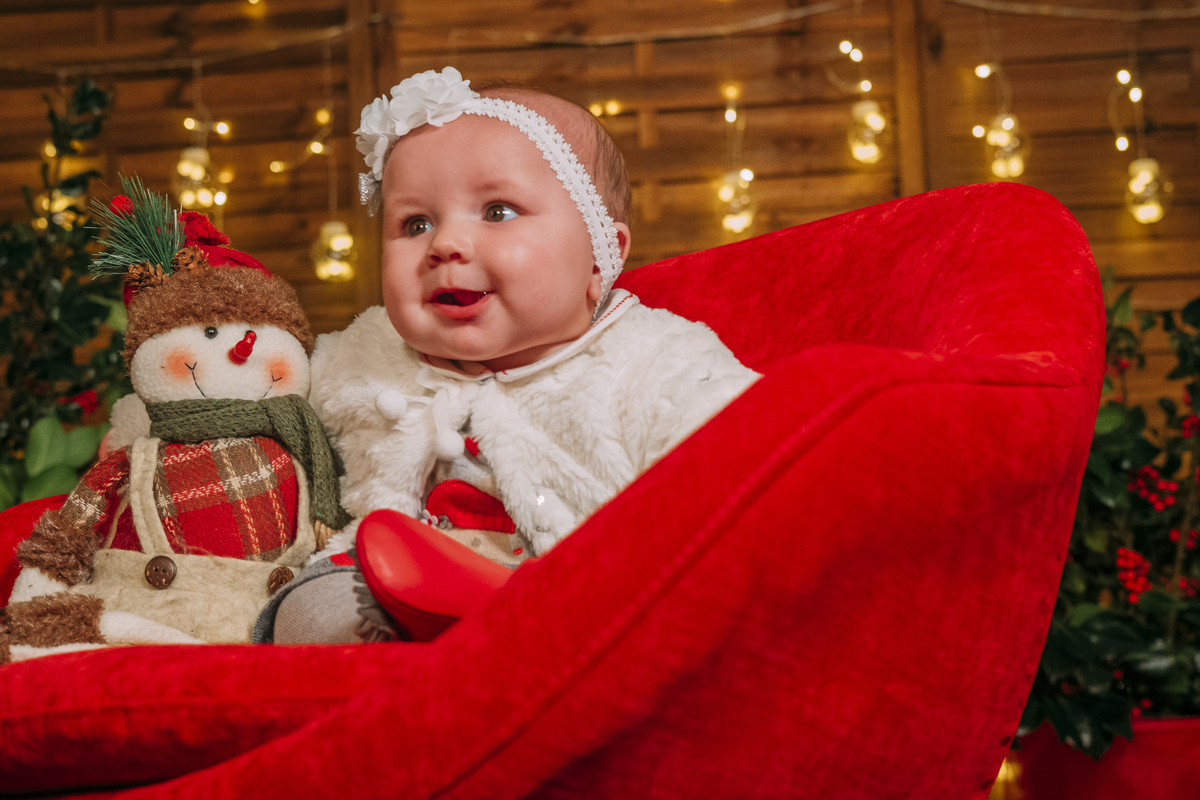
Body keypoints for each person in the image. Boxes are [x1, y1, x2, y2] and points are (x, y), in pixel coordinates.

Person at [257, 67, 759, 644]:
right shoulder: (366, 352)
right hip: (385, 578)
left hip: (566, 586)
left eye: (497, 211)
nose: (445, 244)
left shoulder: (650, 357)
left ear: (600, 258)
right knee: (306, 604)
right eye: (415, 222)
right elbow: (267, 398)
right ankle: (406, 644)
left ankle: (500, 631)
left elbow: (739, 443)